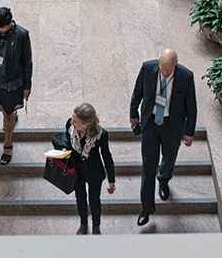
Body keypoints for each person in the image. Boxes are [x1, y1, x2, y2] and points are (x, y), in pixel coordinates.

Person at [129, 48, 197, 227]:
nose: (165, 73)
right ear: (158, 63)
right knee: (148, 166)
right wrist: (133, 114)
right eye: (162, 69)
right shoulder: (147, 68)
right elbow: (137, 93)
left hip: (172, 126)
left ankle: (164, 180)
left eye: (169, 70)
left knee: (169, 157)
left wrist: (189, 132)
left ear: (176, 64)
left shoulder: (186, 77)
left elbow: (191, 107)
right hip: (151, 123)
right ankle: (146, 208)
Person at [0, 6, 32, 165]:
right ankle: (10, 117)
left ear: (10, 22)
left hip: (12, 80)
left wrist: (27, 86)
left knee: (8, 113)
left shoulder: (22, 35)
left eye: (1, 27)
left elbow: (27, 62)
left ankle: (8, 144)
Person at [59, 103, 116, 235]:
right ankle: (83, 222)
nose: (71, 122)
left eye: (75, 121)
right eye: (72, 118)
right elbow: (67, 141)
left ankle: (96, 225)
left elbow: (107, 157)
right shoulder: (69, 125)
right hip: (77, 171)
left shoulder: (101, 135)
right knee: (80, 197)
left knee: (94, 199)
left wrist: (111, 180)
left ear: (85, 124)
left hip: (94, 172)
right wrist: (65, 150)